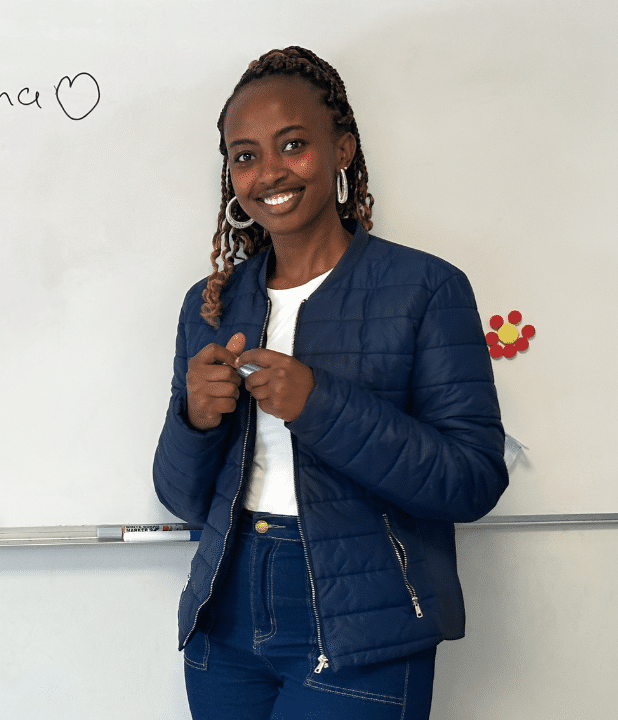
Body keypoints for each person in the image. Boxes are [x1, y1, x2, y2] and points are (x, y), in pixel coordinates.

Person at [152, 47, 508, 720]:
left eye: (293, 145)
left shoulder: (427, 289)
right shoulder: (211, 304)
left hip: (364, 627)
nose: (268, 172)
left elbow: (471, 480)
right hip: (224, 617)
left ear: (342, 149)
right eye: (245, 155)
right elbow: (180, 496)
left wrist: (319, 405)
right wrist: (195, 421)